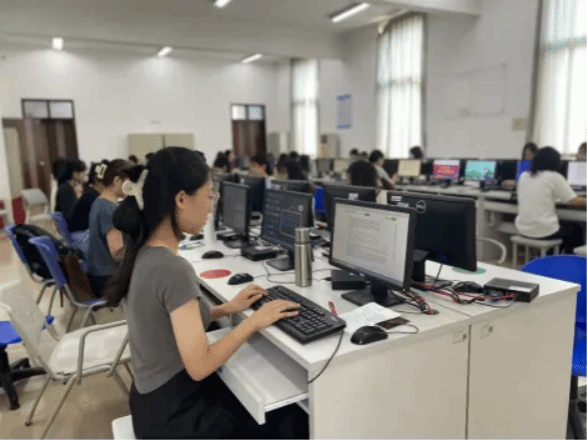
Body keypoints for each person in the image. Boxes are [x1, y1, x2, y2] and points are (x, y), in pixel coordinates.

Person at [103, 147, 308, 439]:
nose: (211, 207)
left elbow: (166, 319)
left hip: (150, 408)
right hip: (178, 421)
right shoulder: (173, 269)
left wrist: (226, 309)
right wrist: (254, 321)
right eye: (209, 196)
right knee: (292, 417)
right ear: (181, 199)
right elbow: (200, 367)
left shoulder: (140, 252)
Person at [515, 147, 587, 254]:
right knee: (576, 229)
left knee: (563, 225)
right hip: (543, 233)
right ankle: (565, 260)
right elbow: (573, 200)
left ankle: (550, 256)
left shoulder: (524, 176)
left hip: (523, 229)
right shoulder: (554, 177)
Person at [87, 159, 131, 297]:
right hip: (107, 279)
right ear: (117, 181)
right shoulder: (109, 209)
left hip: (99, 274)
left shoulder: (99, 202)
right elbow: (117, 253)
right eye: (130, 182)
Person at [68, 161, 107, 232]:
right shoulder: (92, 196)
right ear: (96, 179)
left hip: (80, 231)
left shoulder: (90, 192)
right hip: (82, 234)